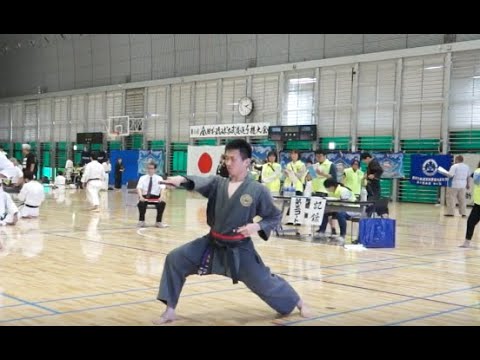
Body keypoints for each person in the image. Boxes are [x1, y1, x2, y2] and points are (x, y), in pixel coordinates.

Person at [152, 139, 309, 324]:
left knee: (265, 282)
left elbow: (274, 217)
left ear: (246, 162)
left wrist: (255, 227)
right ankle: (170, 309)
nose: (227, 162)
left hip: (240, 249)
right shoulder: (218, 183)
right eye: (226, 158)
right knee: (175, 258)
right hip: (212, 244)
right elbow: (199, 181)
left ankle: (298, 302)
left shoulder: (257, 190)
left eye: (232, 159)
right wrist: (181, 180)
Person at [315, 179, 357, 245]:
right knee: (325, 212)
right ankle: (321, 232)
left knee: (340, 214)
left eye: (327, 188)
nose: (327, 189)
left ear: (332, 186)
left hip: (352, 209)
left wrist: (335, 208)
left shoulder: (343, 190)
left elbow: (346, 203)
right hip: (338, 208)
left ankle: (342, 235)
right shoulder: (331, 192)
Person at [136, 162, 168, 228]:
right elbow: (139, 188)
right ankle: (141, 221)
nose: (150, 170)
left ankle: (158, 222)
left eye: (151, 168)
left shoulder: (159, 178)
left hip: (156, 197)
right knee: (141, 204)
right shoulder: (142, 178)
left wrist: (161, 197)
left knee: (162, 203)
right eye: (148, 168)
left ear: (155, 169)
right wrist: (141, 196)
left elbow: (162, 189)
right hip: (145, 196)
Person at [361, 152, 388, 217]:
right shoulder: (371, 163)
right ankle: (371, 215)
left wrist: (374, 175)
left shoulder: (373, 162)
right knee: (372, 200)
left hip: (374, 186)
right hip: (371, 185)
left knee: (372, 200)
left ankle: (371, 215)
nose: (364, 162)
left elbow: (380, 170)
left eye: (364, 160)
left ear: (367, 158)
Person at [461, 161, 480, 248]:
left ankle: (467, 242)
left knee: (471, 222)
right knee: (471, 222)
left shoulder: (477, 171)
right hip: (478, 204)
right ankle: (467, 242)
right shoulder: (477, 172)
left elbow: (476, 181)